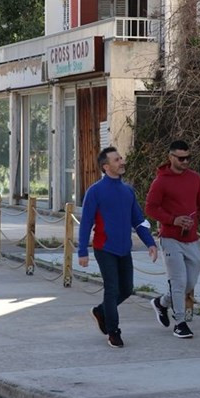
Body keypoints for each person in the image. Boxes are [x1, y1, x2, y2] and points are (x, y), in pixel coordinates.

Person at [79, 147, 158, 348]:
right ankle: (113, 331)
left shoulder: (128, 190)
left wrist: (150, 242)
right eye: (117, 159)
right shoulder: (95, 191)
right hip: (104, 248)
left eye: (121, 158)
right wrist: (82, 252)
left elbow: (138, 220)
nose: (121, 161)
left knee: (127, 289)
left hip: (124, 249)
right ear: (106, 167)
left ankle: (100, 311)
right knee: (112, 289)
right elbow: (86, 223)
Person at [145, 140, 200, 339]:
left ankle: (162, 303)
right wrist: (173, 220)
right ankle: (180, 323)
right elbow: (150, 208)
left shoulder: (194, 178)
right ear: (171, 157)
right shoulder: (161, 181)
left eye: (188, 158)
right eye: (181, 158)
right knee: (178, 281)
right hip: (170, 239)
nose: (185, 161)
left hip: (192, 239)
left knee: (189, 283)